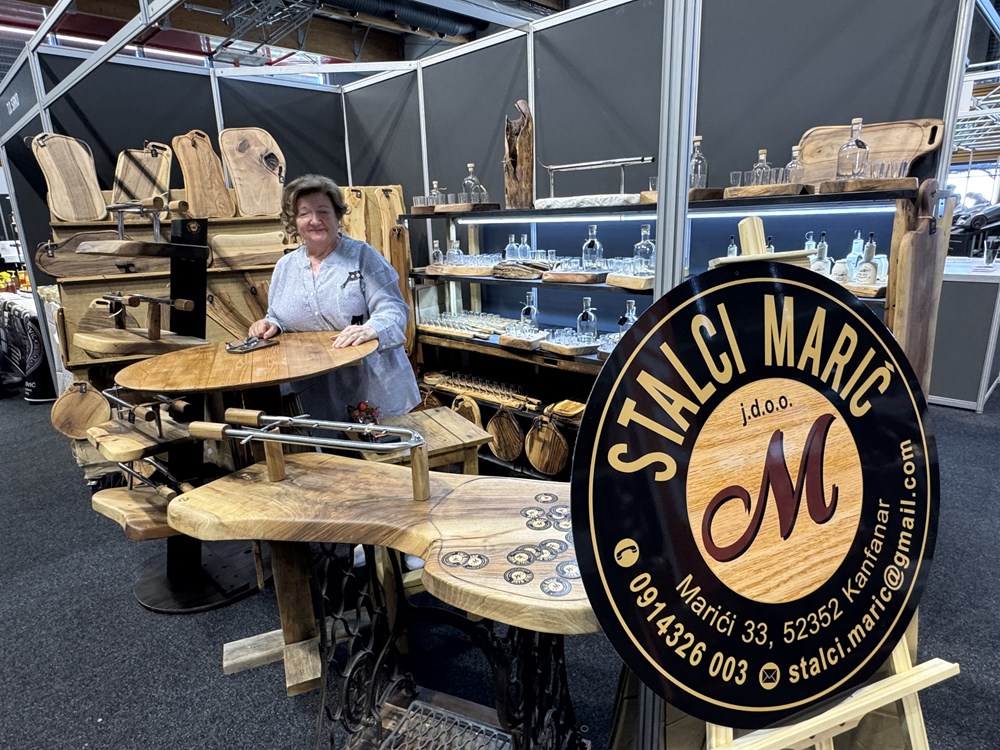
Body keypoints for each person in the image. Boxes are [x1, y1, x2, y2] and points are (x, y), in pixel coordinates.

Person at [249, 173, 419, 420]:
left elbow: (393, 308)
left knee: (379, 445)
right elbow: (277, 314)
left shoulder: (362, 257)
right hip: (316, 394)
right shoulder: (285, 267)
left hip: (372, 388)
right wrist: (270, 324)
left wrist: (372, 328)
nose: (314, 220)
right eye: (304, 213)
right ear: (294, 221)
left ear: (337, 216)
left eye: (323, 211)